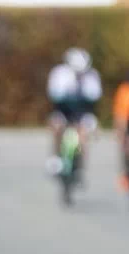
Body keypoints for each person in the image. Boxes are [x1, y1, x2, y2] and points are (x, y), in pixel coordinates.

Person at [45, 47, 102, 176]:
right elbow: (54, 94)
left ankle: (81, 164)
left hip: (83, 112)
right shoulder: (59, 73)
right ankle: (55, 156)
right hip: (62, 110)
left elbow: (94, 95)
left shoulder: (92, 75)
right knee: (56, 126)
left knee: (85, 133)